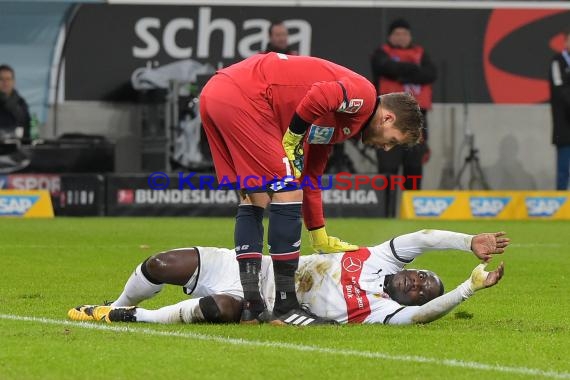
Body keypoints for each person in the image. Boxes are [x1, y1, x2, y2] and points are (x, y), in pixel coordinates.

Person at [199, 52, 423, 325]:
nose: (387, 148)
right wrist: (293, 136)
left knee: (255, 197)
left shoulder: (343, 125)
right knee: (286, 190)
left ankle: (252, 306)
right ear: (387, 119)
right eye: (393, 141)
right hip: (245, 96)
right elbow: (321, 94)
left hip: (218, 93)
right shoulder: (364, 94)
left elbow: (310, 178)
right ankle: (285, 306)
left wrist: (318, 232)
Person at [68, 229, 507, 325]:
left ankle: (124, 319)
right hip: (250, 266)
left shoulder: (382, 313)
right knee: (160, 264)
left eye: (421, 293)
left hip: (260, 306)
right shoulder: (381, 259)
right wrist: (468, 242)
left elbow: (422, 318)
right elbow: (422, 237)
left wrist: (467, 288)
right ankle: (122, 300)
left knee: (217, 308)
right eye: (421, 278)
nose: (417, 285)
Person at [371, 18, 437, 192]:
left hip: (416, 119)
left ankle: (412, 212)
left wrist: (402, 75)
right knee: (388, 169)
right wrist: (413, 69)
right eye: (397, 34)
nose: (401, 37)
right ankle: (385, 211)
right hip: (387, 119)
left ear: (410, 36)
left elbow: (430, 74)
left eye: (405, 34)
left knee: (414, 167)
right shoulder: (381, 53)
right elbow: (386, 67)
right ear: (390, 37)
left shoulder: (422, 53)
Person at [549, 31, 570, 190]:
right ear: (566, 42)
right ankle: (561, 205)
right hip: (565, 127)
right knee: (564, 170)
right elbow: (560, 90)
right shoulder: (558, 62)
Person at [0, 64, 31, 142]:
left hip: (17, 148)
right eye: (1, 79)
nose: (5, 82)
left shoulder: (20, 102)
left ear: (13, 81)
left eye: (8, 79)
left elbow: (28, 127)